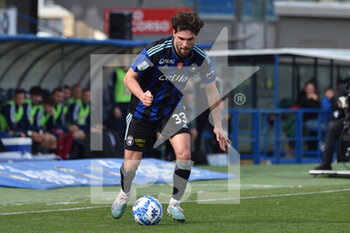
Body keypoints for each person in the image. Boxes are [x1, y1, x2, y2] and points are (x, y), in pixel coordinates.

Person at [111, 11, 230, 222]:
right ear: (173, 32)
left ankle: (175, 203)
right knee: (131, 166)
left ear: (196, 37)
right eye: (181, 39)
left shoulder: (201, 59)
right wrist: (141, 94)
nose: (185, 44)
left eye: (190, 40)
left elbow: (212, 92)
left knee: (184, 154)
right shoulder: (156, 51)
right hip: (142, 111)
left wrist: (218, 125)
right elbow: (129, 78)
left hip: (172, 110)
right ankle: (124, 193)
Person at [315, 81, 347, 170]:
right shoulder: (344, 87)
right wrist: (341, 103)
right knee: (333, 127)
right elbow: (336, 100)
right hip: (346, 118)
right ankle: (326, 163)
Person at [107, 66, 131, 137]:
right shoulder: (116, 73)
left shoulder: (132, 72)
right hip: (119, 105)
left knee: (128, 128)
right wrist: (115, 107)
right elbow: (111, 90)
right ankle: (117, 146)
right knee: (118, 128)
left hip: (129, 105)